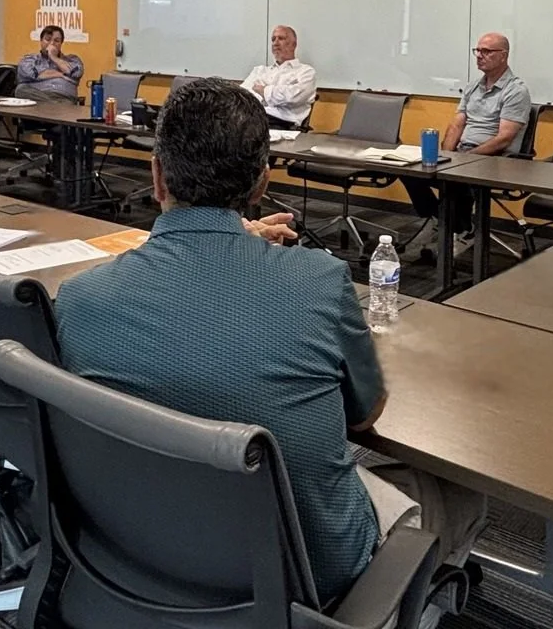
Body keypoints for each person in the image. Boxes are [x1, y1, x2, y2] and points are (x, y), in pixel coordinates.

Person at [55, 78, 485, 603]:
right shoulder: (318, 283)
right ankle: (405, 605)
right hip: (300, 578)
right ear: (261, 185)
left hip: (128, 551)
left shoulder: (78, 300)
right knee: (462, 492)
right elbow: (364, 416)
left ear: (157, 175)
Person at [404, 32, 531, 256]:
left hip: (494, 159)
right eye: (477, 51)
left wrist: (466, 158)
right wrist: (444, 155)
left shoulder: (516, 91)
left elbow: (504, 138)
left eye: (486, 51)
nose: (479, 56)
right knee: (411, 171)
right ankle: (441, 221)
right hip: (464, 153)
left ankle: (462, 229)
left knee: (455, 178)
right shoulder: (473, 87)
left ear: (503, 55)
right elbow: (457, 125)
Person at [241, 24, 317, 129]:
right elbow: (242, 96)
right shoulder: (260, 71)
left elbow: (292, 97)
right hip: (253, 117)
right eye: (273, 39)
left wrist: (263, 91)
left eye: (281, 38)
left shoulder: (305, 72)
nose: (275, 43)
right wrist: (273, 93)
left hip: (283, 123)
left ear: (293, 44)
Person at [15, 25, 83, 101]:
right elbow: (31, 74)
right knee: (21, 89)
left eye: (56, 41)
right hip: (37, 98)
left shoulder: (73, 60)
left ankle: (51, 105)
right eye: (47, 39)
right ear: (41, 41)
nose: (51, 43)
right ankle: (52, 104)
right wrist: (61, 74)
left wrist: (53, 57)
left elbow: (73, 73)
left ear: (61, 43)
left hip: (63, 98)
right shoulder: (30, 60)